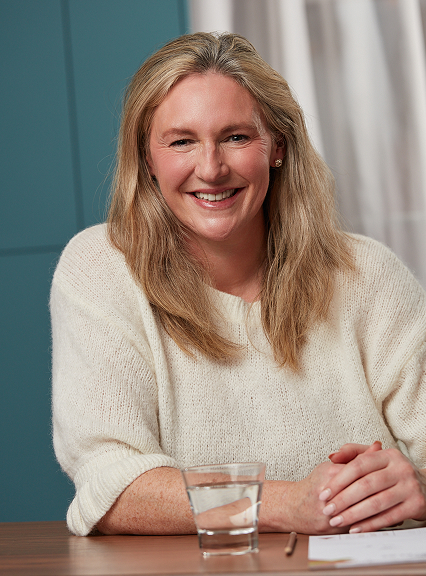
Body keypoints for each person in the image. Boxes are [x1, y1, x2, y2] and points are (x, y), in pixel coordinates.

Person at [51, 32, 426, 538]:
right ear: (147, 159)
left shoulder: (369, 274)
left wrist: (419, 487)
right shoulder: (100, 269)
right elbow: (110, 484)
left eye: (236, 137)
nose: (211, 168)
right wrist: (284, 504)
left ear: (277, 146)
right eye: (181, 141)